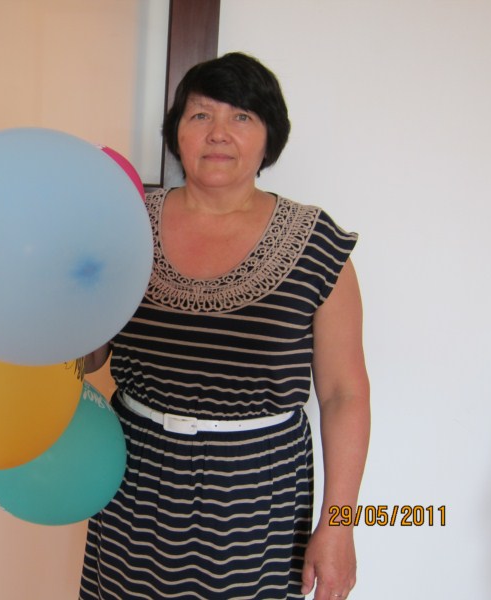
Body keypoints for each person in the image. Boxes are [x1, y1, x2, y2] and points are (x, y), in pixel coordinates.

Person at [79, 52, 370, 600]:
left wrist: (339, 526)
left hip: (260, 495)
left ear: (269, 136)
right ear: (177, 132)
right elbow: (88, 355)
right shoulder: (126, 222)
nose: (218, 133)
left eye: (241, 116)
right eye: (200, 115)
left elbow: (343, 394)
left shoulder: (316, 244)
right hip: (133, 479)